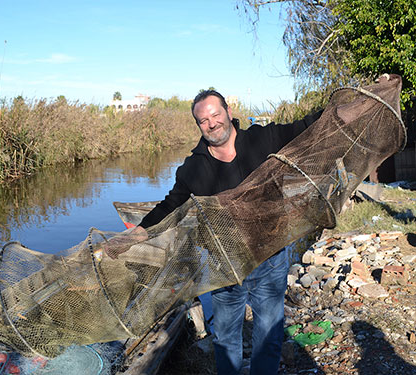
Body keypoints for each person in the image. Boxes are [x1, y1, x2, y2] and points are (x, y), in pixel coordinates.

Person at [111, 90, 321, 374]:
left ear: (228, 112)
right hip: (223, 266)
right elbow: (171, 206)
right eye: (203, 120)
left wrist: (355, 101)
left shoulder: (263, 140)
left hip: (270, 258)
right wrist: (135, 234)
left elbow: (307, 127)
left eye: (215, 115)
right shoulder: (192, 169)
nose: (211, 123)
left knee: (269, 336)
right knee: (224, 339)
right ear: (198, 125)